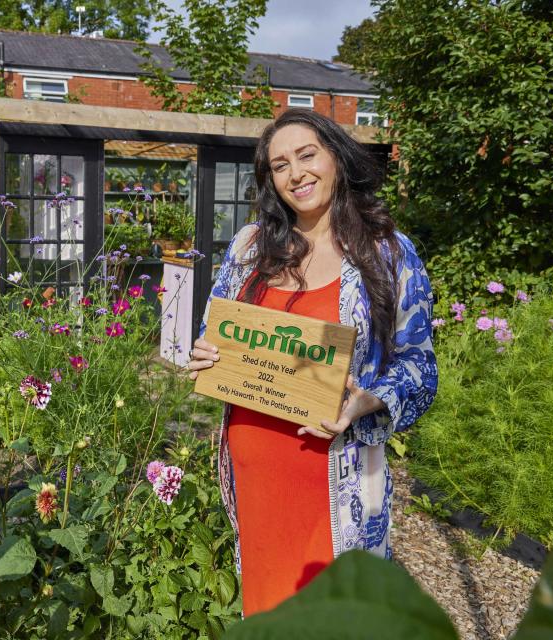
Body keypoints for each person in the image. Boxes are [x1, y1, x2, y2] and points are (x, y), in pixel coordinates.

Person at [187, 108, 437, 617]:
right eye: (280, 165)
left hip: (334, 486)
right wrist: (204, 354)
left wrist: (370, 399)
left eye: (306, 155)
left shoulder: (387, 253)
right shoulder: (249, 248)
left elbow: (421, 368)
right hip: (256, 484)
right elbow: (213, 331)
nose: (296, 174)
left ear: (337, 158)